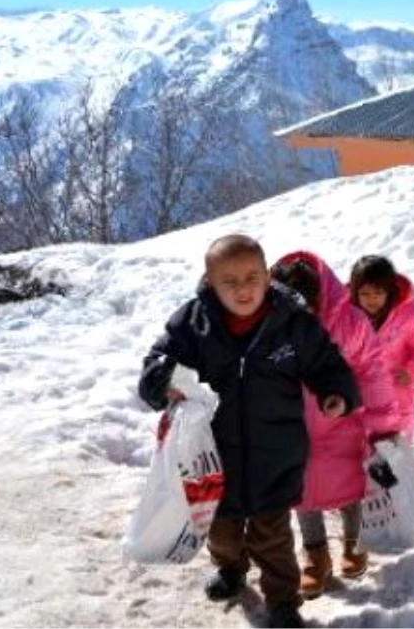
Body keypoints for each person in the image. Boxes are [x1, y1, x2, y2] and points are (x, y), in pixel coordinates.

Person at [138, 235, 359, 629]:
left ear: (267, 274)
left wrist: (336, 392)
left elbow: (328, 364)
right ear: (210, 281)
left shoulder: (293, 322)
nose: (244, 289)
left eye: (252, 277)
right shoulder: (193, 322)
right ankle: (231, 568)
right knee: (221, 531)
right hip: (213, 455)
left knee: (272, 538)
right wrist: (160, 380)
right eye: (230, 281)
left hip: (276, 453)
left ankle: (283, 603)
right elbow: (160, 358)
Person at [269, 252, 401, 600]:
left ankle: (355, 544)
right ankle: (315, 555)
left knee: (351, 490)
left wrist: (384, 424)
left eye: (307, 306)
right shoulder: (270, 324)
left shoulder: (350, 321)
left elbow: (372, 370)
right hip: (293, 429)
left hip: (343, 424)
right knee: (302, 493)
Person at [348, 255, 414, 441]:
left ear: (390, 291)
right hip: (359, 394)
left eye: (378, 293)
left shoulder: (409, 312)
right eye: (365, 294)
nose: (371, 300)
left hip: (397, 392)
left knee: (395, 452)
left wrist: (413, 370)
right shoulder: (346, 314)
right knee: (358, 449)